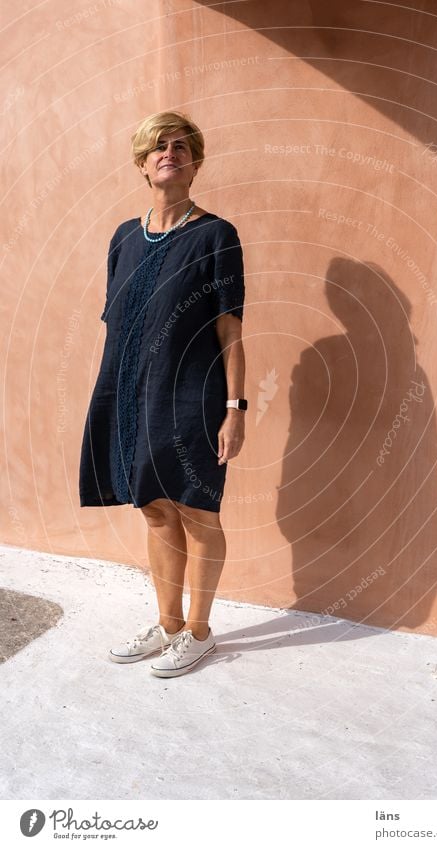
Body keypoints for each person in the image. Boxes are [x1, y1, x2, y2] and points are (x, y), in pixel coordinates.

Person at [78, 110, 247, 677]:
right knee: (152, 509)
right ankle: (169, 625)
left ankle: (199, 632)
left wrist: (234, 409)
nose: (168, 152)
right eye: (157, 146)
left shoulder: (216, 235)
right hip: (129, 393)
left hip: (194, 396)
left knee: (197, 510)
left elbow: (230, 329)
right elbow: (120, 324)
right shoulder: (125, 237)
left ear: (195, 163)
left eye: (180, 146)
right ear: (142, 163)